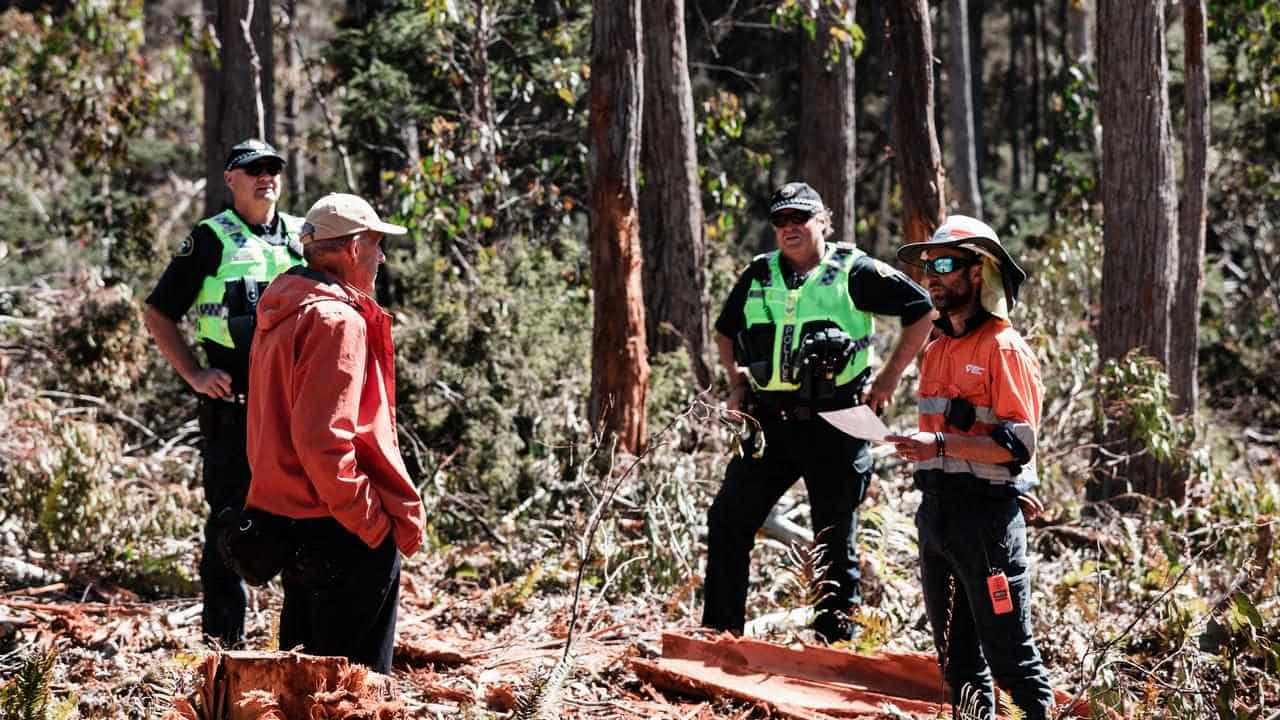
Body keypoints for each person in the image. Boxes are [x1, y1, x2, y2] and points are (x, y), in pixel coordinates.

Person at [703, 181, 935, 643]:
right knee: (728, 519)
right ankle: (719, 636)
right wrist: (736, 383)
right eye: (781, 221)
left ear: (822, 221)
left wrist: (889, 378)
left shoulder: (855, 269)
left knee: (834, 537)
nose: (790, 228)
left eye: (800, 219)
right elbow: (726, 330)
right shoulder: (759, 273)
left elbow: (922, 310)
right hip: (769, 421)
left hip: (838, 419)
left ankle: (834, 643)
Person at [244, 193, 424, 673]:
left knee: (302, 683)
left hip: (294, 519)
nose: (381, 257)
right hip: (340, 526)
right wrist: (370, 523)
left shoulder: (284, 309)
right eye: (376, 245)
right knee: (354, 690)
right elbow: (323, 441)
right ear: (353, 248)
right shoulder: (336, 319)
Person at [886, 215, 1054, 719]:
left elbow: (1015, 444)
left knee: (1010, 660)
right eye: (927, 267)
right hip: (936, 518)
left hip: (986, 527)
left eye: (944, 265)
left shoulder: (1004, 349)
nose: (932, 276)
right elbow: (945, 438)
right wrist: (925, 447)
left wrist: (938, 444)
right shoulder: (936, 349)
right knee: (957, 663)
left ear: (978, 272)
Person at [143, 139, 304, 647]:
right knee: (230, 527)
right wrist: (194, 374)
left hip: (293, 413)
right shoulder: (211, 238)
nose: (266, 177)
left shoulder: (304, 236)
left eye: (273, 168)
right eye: (253, 169)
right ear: (230, 179)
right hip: (232, 414)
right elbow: (158, 312)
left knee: (304, 523)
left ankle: (300, 644)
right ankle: (222, 647)